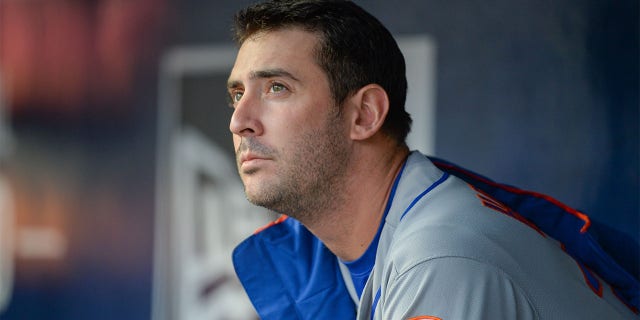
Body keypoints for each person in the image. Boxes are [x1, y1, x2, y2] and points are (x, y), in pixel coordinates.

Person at [226, 1, 639, 319]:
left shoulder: (441, 261)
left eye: (277, 88)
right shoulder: (363, 248)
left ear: (364, 114)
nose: (239, 121)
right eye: (238, 94)